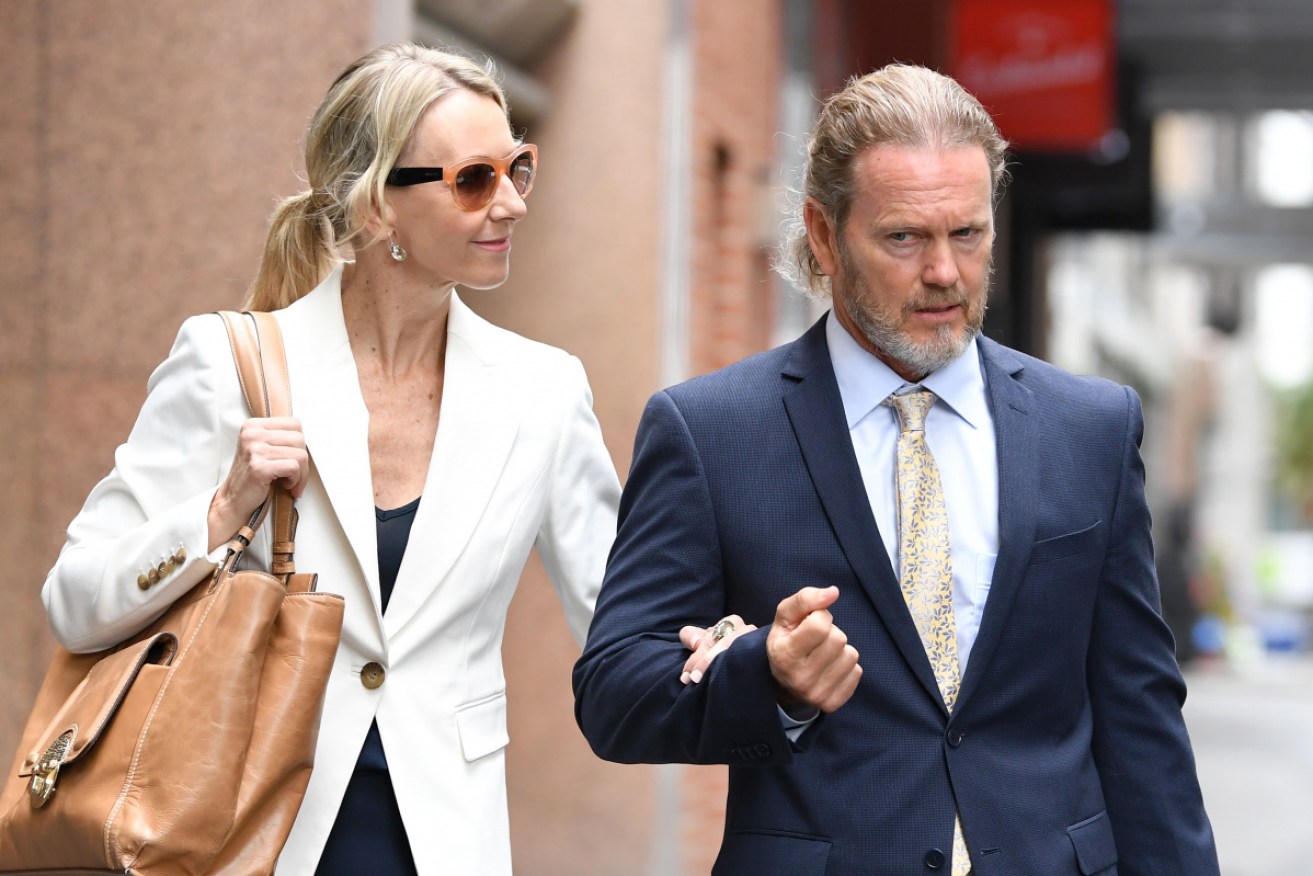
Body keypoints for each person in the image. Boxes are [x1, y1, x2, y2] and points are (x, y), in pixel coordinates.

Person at [573, 64, 1220, 875]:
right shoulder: (710, 432)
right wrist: (763, 676)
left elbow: (1140, 718)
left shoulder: (1089, 427)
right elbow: (613, 693)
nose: (944, 272)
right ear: (822, 233)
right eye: (904, 238)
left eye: (968, 233)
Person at [41, 43, 621, 875]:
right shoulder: (228, 362)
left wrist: (733, 651)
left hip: (444, 840)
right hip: (248, 829)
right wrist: (218, 512)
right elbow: (75, 599)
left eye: (517, 167)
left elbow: (619, 609)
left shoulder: (545, 392)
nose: (512, 205)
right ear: (376, 207)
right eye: (472, 179)